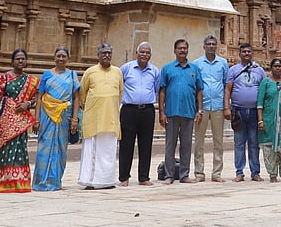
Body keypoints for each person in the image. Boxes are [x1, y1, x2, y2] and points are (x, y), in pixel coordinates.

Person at [0, 48, 39, 193]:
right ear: (12, 61)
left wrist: (28, 104)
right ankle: (3, 183)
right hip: (6, 120)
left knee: (20, 149)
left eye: (23, 58)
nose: (20, 61)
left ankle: (20, 182)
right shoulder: (4, 78)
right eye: (18, 58)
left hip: (22, 120)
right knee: (6, 148)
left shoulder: (31, 80)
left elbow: (38, 98)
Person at [34, 46, 80, 192]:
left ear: (68, 58)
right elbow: (39, 98)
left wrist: (74, 119)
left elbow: (76, 97)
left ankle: (55, 181)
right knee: (44, 147)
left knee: (61, 148)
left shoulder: (72, 75)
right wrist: (36, 119)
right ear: (54, 57)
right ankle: (41, 182)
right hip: (46, 116)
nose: (61, 59)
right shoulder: (47, 75)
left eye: (63, 56)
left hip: (64, 116)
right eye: (58, 56)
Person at [79, 42, 123, 190]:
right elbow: (82, 93)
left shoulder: (118, 72)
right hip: (94, 118)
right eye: (103, 52)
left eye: (109, 53)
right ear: (98, 55)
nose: (107, 55)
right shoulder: (90, 72)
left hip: (111, 118)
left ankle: (106, 181)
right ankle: (90, 181)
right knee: (92, 150)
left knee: (109, 150)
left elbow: (120, 93)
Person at [159, 38, 203, 184]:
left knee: (186, 145)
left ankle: (184, 175)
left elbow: (199, 91)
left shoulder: (194, 69)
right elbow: (162, 91)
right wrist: (161, 112)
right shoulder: (167, 68)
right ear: (175, 50)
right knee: (170, 145)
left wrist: (200, 110)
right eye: (180, 48)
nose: (182, 50)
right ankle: (169, 175)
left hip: (189, 113)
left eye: (185, 48)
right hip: (171, 113)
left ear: (187, 50)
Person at [119, 41, 160, 186]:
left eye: (147, 52)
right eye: (142, 52)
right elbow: (119, 85)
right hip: (129, 110)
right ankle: (124, 177)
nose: (144, 54)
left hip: (147, 110)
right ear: (136, 53)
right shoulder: (126, 68)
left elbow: (157, 89)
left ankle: (144, 177)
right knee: (126, 144)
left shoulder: (154, 71)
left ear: (150, 55)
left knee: (146, 144)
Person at [225, 42, 266, 181]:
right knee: (239, 142)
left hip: (255, 111)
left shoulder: (259, 70)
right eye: (244, 52)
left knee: (254, 142)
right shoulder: (233, 70)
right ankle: (239, 172)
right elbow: (228, 90)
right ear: (239, 53)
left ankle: (255, 172)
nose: (246, 54)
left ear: (252, 53)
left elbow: (264, 90)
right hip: (238, 110)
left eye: (249, 51)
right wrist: (226, 107)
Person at [193, 34, 227, 182]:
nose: (211, 46)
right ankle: (199, 173)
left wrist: (227, 106)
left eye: (214, 44)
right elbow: (195, 86)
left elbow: (226, 84)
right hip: (202, 106)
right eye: (209, 44)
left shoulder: (223, 63)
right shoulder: (197, 64)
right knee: (199, 141)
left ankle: (216, 173)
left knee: (218, 141)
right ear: (204, 46)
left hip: (218, 105)